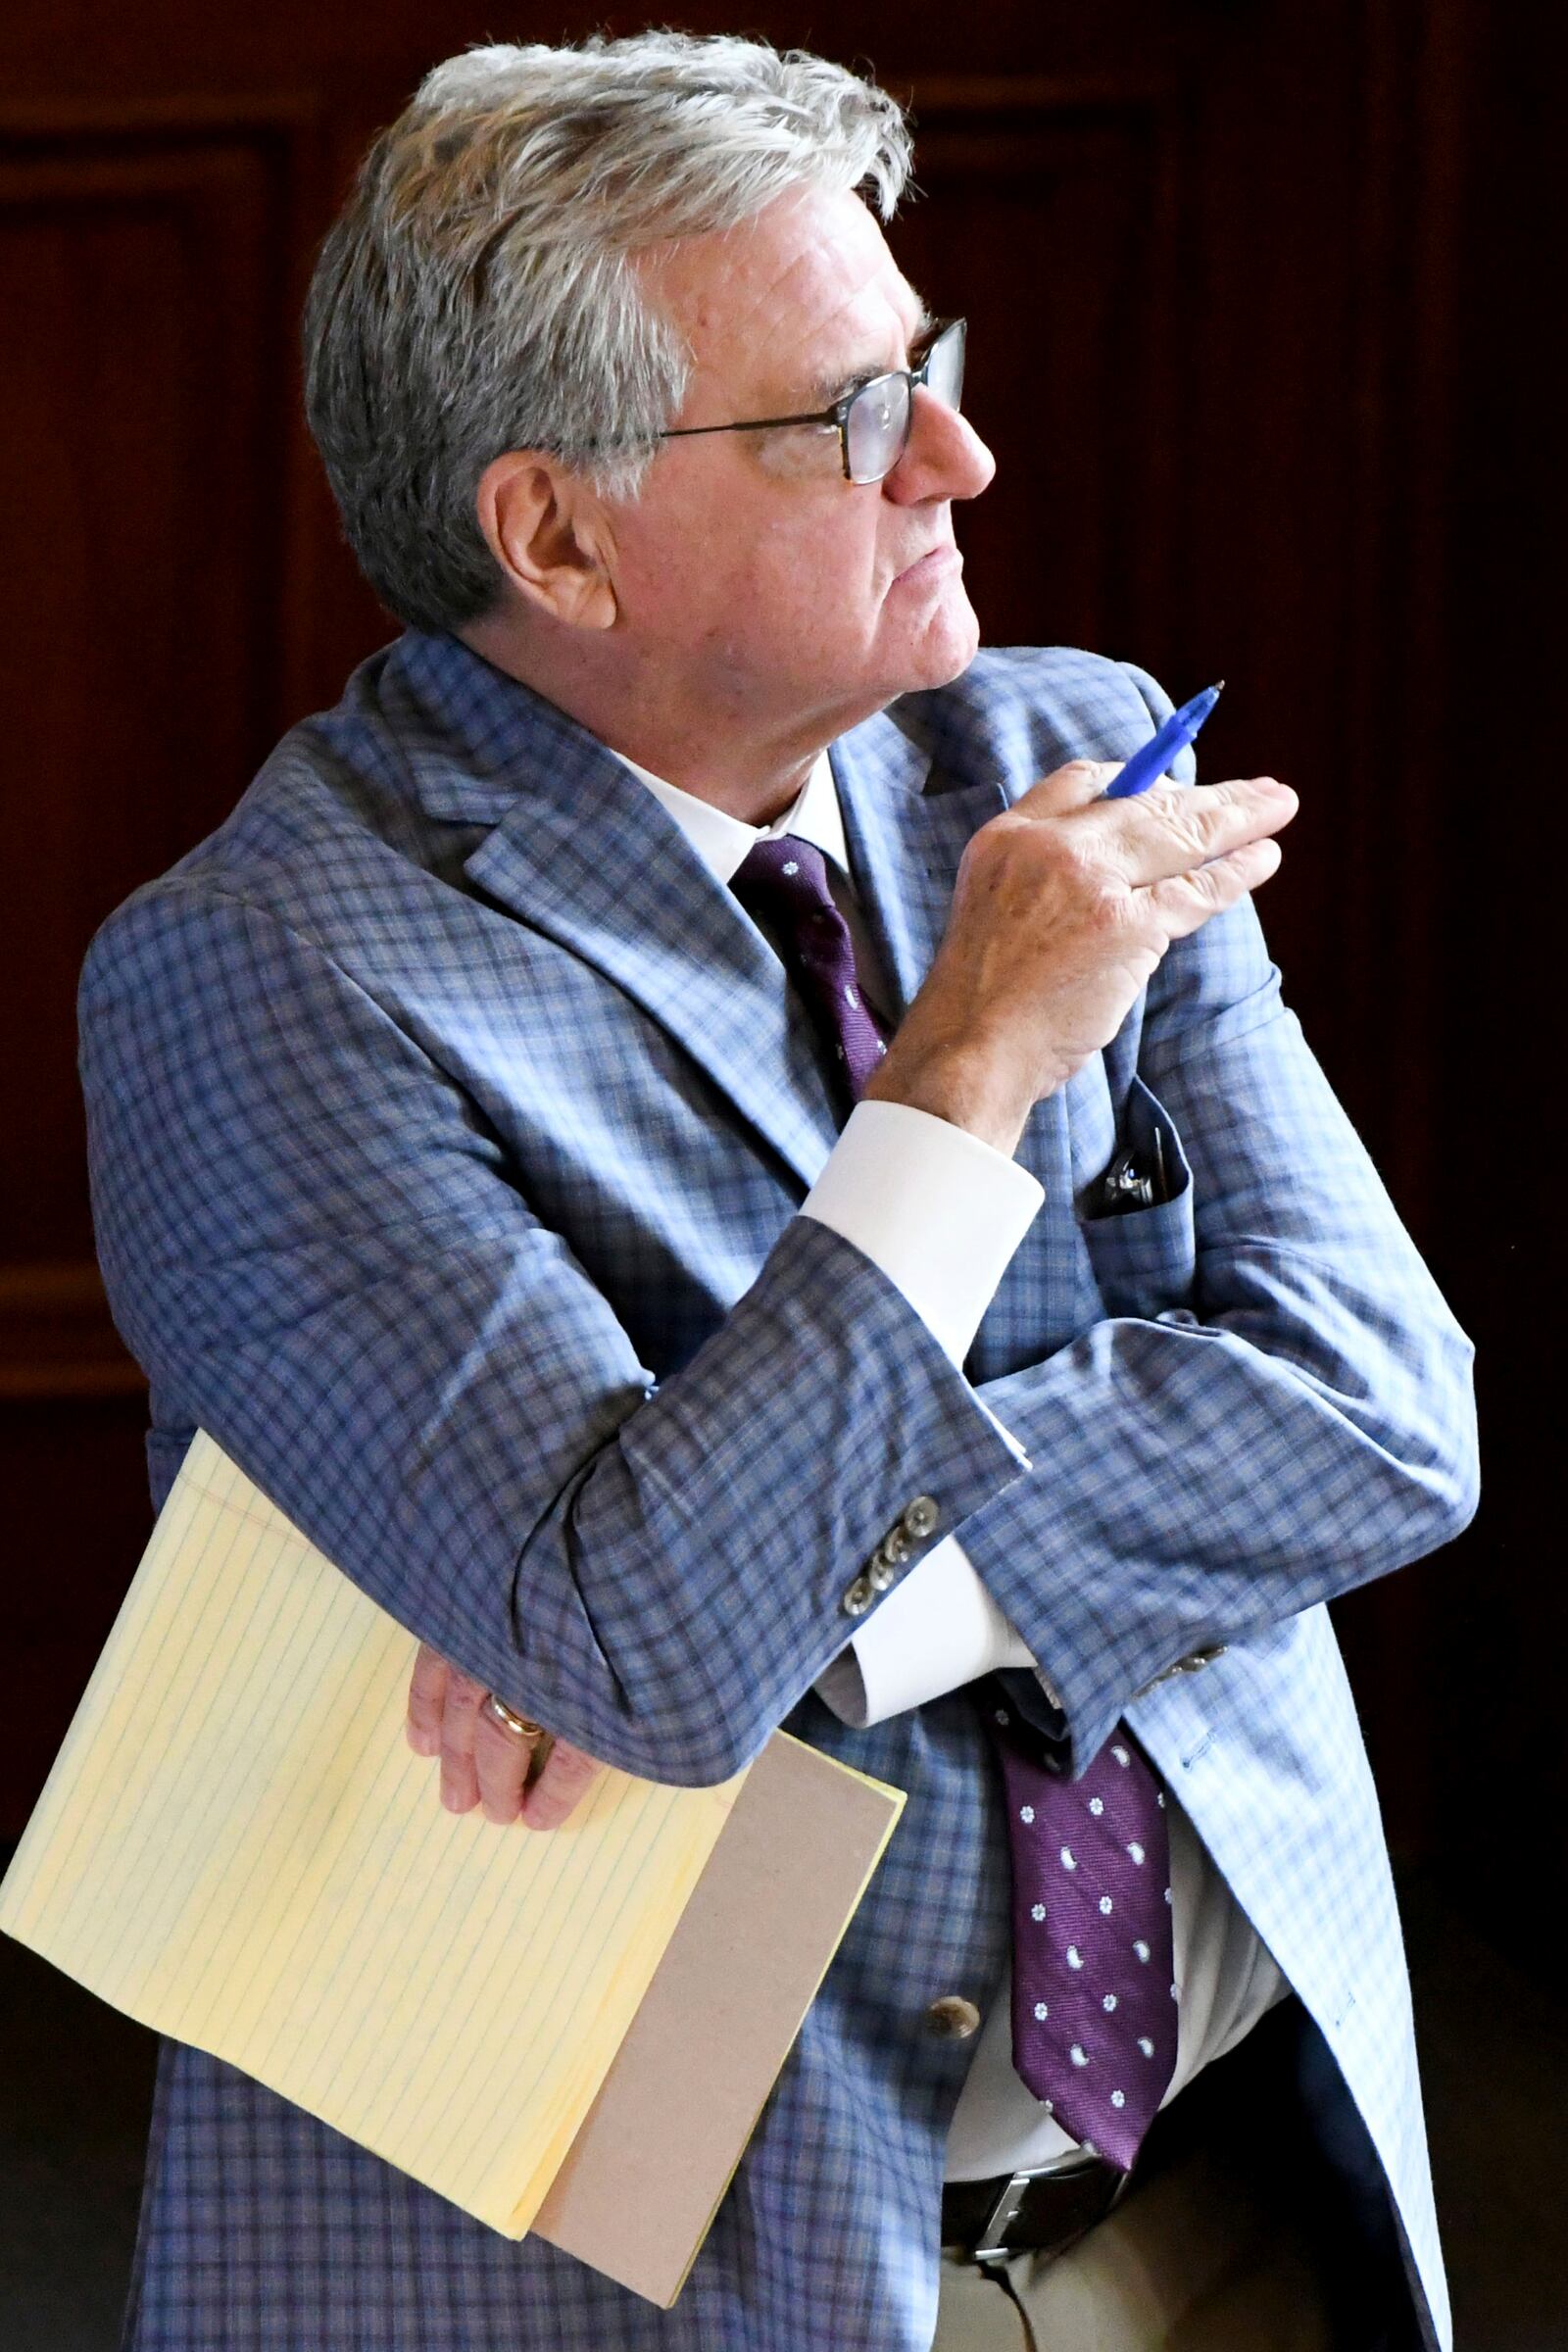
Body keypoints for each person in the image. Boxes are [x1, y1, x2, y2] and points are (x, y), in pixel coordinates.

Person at [77, 31, 1478, 2352]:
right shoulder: (264, 977)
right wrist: (967, 1069)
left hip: (1236, 2190)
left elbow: (1379, 1405)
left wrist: (830, 1617)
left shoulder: (1058, 748)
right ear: (553, 536)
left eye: (925, 358)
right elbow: (634, 1653)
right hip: (672, 2275)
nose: (960, 451)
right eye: (850, 413)